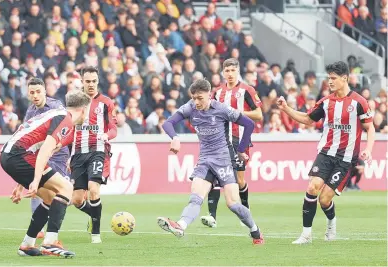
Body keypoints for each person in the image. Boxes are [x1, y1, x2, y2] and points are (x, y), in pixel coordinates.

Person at [276, 61, 375, 244]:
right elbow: (307, 119)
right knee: (312, 187)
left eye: (333, 78)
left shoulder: (359, 102)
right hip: (326, 153)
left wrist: (368, 149)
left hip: (345, 160)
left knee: (324, 199)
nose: (329, 82)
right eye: (328, 78)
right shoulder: (326, 101)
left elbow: (370, 128)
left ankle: (331, 223)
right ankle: (306, 234)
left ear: (344, 79)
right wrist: (286, 109)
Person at [157, 79, 264, 245]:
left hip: (224, 161)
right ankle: (181, 226)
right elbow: (168, 123)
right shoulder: (190, 107)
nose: (196, 102)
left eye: (200, 98)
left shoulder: (222, 109)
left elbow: (249, 124)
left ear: (209, 95)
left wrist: (242, 149)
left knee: (233, 204)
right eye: (194, 98)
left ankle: (255, 231)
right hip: (205, 160)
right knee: (195, 198)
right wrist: (175, 138)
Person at [0, 88, 91, 257]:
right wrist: (35, 180)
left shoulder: (58, 114)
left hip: (10, 155)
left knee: (49, 197)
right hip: (18, 155)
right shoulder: (65, 119)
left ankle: (27, 245)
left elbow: (39, 148)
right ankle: (50, 242)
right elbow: (43, 152)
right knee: (66, 189)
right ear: (84, 109)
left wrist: (20, 184)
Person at [201, 58, 263, 228]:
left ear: (238, 71)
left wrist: (237, 113)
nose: (229, 74)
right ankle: (211, 215)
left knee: (240, 181)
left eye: (232, 71)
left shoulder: (247, 90)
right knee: (215, 174)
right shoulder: (217, 92)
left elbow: (259, 114)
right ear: (223, 72)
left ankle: (245, 210)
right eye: (226, 71)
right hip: (220, 140)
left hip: (239, 139)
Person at [64, 66, 117, 244]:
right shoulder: (74, 102)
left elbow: (114, 129)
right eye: (88, 81)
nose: (91, 84)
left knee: (93, 190)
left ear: (98, 81)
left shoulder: (106, 103)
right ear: (82, 81)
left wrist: (106, 135)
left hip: (98, 151)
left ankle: (96, 233)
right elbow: (69, 130)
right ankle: (94, 215)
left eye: (94, 81)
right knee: (77, 200)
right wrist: (67, 155)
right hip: (78, 153)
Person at [24, 78, 70, 239]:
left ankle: (90, 212)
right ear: (28, 94)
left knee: (67, 194)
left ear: (45, 91)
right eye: (32, 92)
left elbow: (68, 128)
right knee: (38, 190)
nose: (35, 95)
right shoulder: (30, 112)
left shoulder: (56, 106)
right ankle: (41, 229)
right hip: (41, 156)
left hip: (58, 155)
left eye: (38, 91)